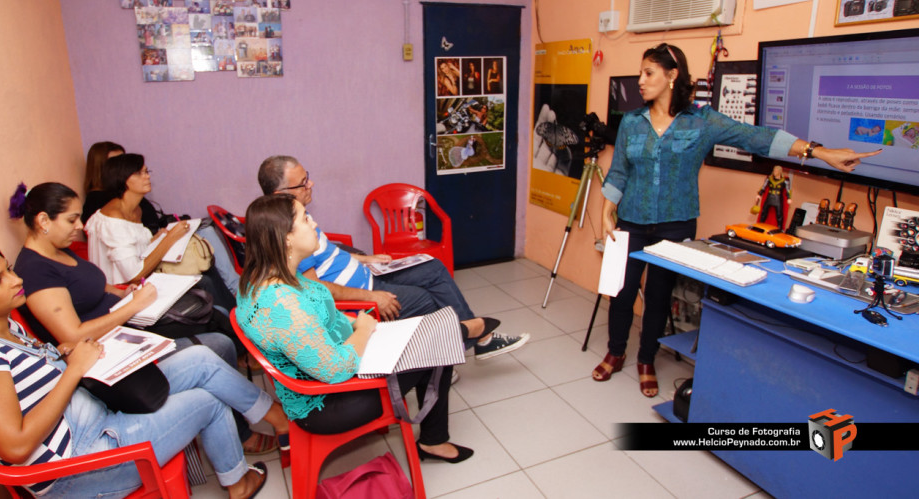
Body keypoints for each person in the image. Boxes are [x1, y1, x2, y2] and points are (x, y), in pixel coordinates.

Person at [598, 43, 881, 397]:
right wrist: (606, 208)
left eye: (648, 73)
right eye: (641, 72)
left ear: (672, 76)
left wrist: (819, 152)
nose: (640, 80)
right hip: (633, 220)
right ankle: (616, 350)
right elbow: (620, 171)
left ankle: (646, 359)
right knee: (621, 292)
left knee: (657, 296)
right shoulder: (631, 122)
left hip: (676, 224)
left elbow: (757, 138)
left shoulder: (702, 120)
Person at [0, 244, 290, 499]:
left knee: (202, 359)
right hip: (82, 462)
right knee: (206, 402)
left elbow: (31, 385)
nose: (15, 280)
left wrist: (65, 356)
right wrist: (73, 370)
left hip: (95, 415)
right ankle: (238, 483)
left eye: (8, 270)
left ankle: (276, 418)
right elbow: (14, 446)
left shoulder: (3, 327)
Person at [11, 182, 278, 456]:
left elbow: (91, 287)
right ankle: (246, 429)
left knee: (215, 322)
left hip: (129, 324)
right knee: (216, 345)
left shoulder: (57, 249)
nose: (79, 226)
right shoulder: (36, 272)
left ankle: (241, 423)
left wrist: (125, 292)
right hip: (113, 349)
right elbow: (74, 334)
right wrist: (131, 307)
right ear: (44, 220)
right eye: (71, 219)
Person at [234, 194, 472, 463]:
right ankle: (434, 439)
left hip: (339, 364)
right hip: (330, 405)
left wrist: (356, 325)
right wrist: (363, 330)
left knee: (434, 333)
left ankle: (461, 332)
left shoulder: (271, 279)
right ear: (286, 237)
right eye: (305, 218)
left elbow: (319, 321)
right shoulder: (282, 304)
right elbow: (334, 369)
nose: (313, 224)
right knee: (438, 345)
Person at [257, 155, 529, 360]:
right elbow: (316, 289)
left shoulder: (297, 214)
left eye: (308, 176)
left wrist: (365, 259)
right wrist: (372, 297)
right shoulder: (289, 232)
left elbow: (326, 254)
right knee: (426, 298)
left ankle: (470, 341)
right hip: (362, 291)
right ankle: (452, 351)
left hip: (366, 274)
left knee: (433, 266)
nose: (311, 183)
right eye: (303, 182)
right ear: (281, 193)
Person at [80, 142, 242, 296]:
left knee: (206, 263)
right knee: (204, 279)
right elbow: (134, 275)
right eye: (139, 173)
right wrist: (170, 238)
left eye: (146, 171)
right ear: (121, 178)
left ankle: (235, 304)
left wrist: (155, 240)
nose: (147, 177)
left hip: (143, 276)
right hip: (125, 290)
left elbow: (134, 249)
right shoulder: (113, 219)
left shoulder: (134, 209)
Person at [755, 166, 791, 230]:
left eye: (776, 171)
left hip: (778, 198)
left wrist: (789, 198)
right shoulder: (769, 178)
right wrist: (759, 194)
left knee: (779, 215)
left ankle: (780, 229)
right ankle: (759, 226)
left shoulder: (785, 180)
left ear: (780, 172)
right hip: (769, 197)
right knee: (763, 213)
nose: (775, 172)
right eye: (774, 170)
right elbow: (763, 187)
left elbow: (788, 190)